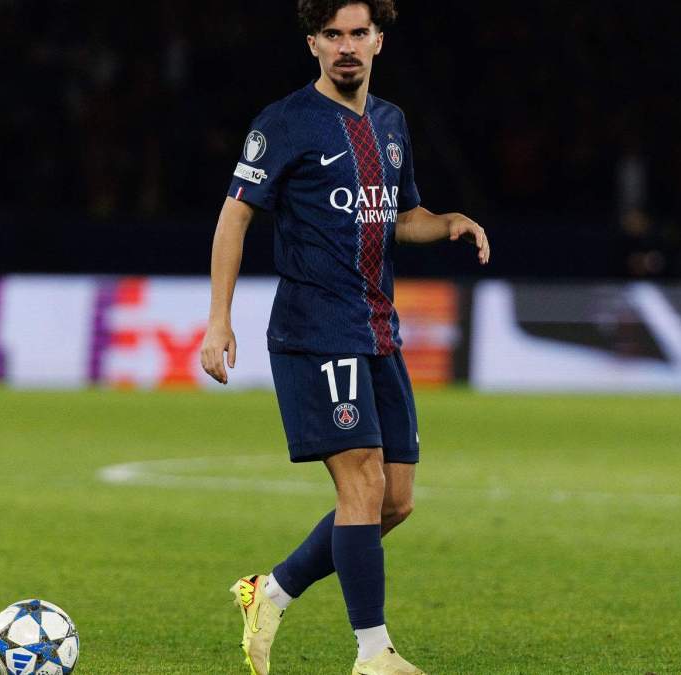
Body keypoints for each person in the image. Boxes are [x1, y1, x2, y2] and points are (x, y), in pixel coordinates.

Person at [199, 2, 489, 673]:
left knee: (395, 500)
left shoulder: (390, 124)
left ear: (379, 42)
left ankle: (268, 590)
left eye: (359, 33)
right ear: (314, 45)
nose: (347, 46)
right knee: (359, 486)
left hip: (378, 330)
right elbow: (233, 218)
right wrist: (220, 318)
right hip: (314, 329)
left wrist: (445, 222)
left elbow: (401, 214)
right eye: (334, 35)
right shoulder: (284, 123)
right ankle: (372, 652)